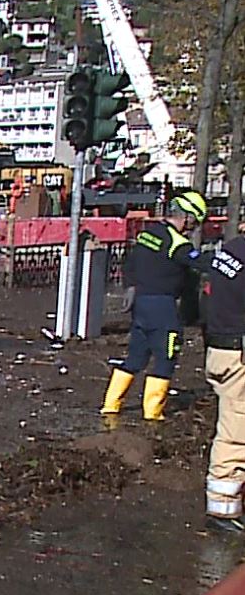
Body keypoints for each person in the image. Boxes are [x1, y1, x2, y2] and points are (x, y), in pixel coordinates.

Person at [103, 189, 209, 420]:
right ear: (187, 217)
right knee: (165, 357)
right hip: (163, 308)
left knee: (135, 357)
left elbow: (130, 263)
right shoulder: (178, 243)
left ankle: (110, 406)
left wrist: (130, 286)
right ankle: (153, 415)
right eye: (194, 222)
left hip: (141, 305)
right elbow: (201, 263)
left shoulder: (148, 234)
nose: (193, 228)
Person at [201, 223, 245, 532]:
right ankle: (222, 507)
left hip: (220, 348)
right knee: (236, 430)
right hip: (237, 352)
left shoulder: (231, 249)